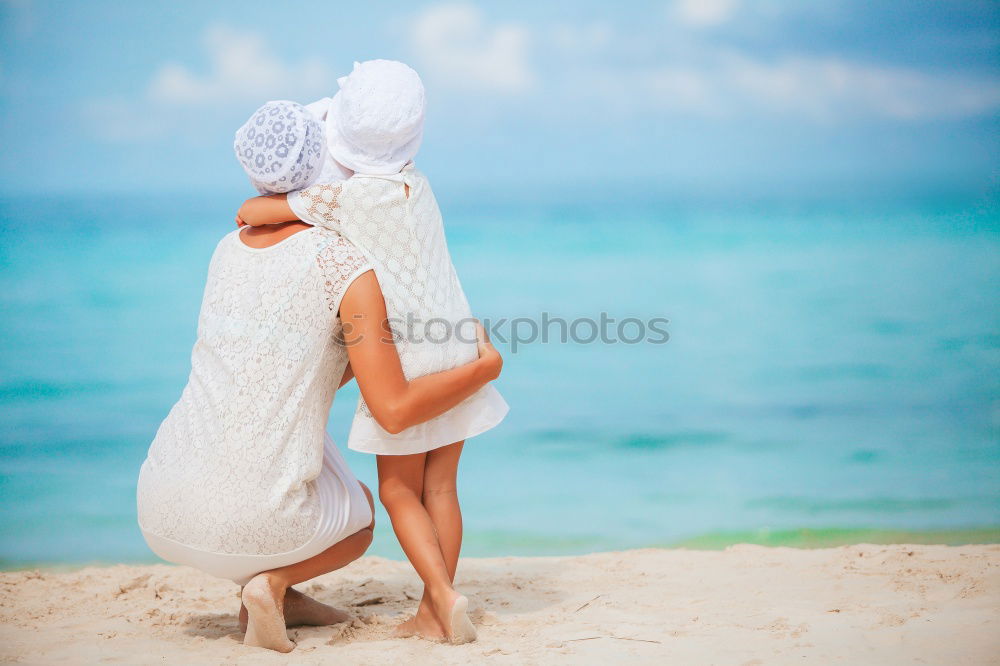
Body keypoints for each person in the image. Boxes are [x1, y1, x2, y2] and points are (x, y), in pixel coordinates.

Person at [136, 100, 503, 653]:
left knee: (265, 426)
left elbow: (278, 357)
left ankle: (282, 598)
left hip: (160, 506)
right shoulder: (342, 260)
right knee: (362, 514)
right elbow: (394, 408)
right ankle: (273, 583)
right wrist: (483, 368)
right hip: (252, 520)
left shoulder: (223, 248)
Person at [236, 60, 508, 643]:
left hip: (409, 360)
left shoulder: (345, 200)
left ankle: (442, 595)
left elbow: (253, 213)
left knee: (397, 490)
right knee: (442, 487)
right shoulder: (419, 186)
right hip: (458, 344)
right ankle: (439, 607)